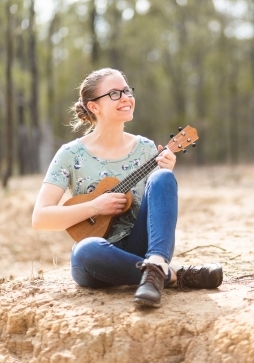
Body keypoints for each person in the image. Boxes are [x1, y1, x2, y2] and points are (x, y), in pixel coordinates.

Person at [32, 68, 222, 308]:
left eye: (126, 90)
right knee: (85, 250)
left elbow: (158, 205)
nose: (125, 97)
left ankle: (156, 264)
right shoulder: (70, 155)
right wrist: (95, 206)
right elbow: (40, 218)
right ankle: (172, 275)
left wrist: (166, 171)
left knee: (162, 178)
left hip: (142, 245)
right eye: (114, 93)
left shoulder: (145, 148)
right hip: (98, 258)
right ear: (93, 107)